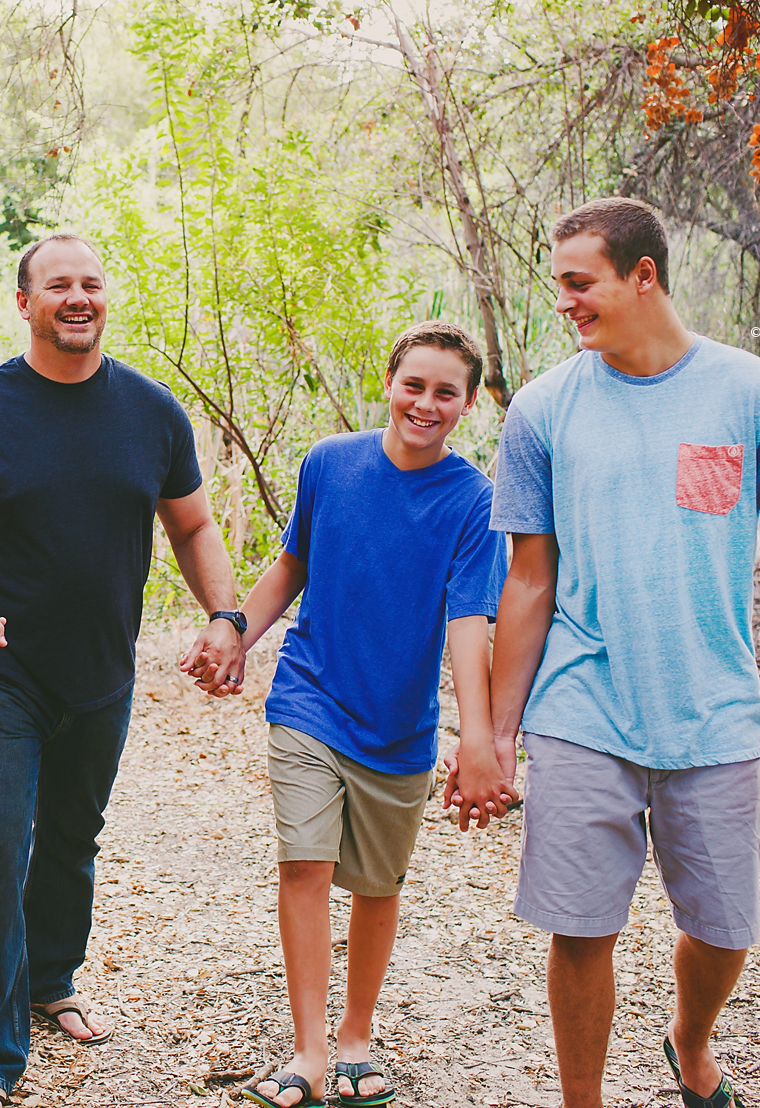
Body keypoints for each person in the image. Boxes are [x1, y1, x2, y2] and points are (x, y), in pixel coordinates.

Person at [474, 197, 760, 1108]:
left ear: (643, 275)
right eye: (559, 283)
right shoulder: (544, 409)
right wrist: (493, 733)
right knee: (579, 928)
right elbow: (529, 581)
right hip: (581, 708)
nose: (564, 301)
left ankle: (689, 1039)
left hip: (713, 710)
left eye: (580, 282)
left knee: (724, 929)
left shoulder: (754, 394)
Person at [0, 233, 244, 1108]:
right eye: (58, 285)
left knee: (70, 839)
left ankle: (50, 979)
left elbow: (193, 525)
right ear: (25, 303)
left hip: (101, 670)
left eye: (91, 283)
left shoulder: (152, 412)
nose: (77, 297)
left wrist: (224, 615)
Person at [207, 322, 508, 1108]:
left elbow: (468, 622)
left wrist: (476, 737)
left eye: (446, 392)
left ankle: (354, 1038)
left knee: (377, 886)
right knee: (304, 865)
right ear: (389, 382)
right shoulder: (329, 463)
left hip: (399, 725)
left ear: (469, 404)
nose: (426, 403)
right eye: (415, 385)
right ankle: (309, 1052)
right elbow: (293, 564)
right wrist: (237, 631)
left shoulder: (475, 502)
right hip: (309, 697)